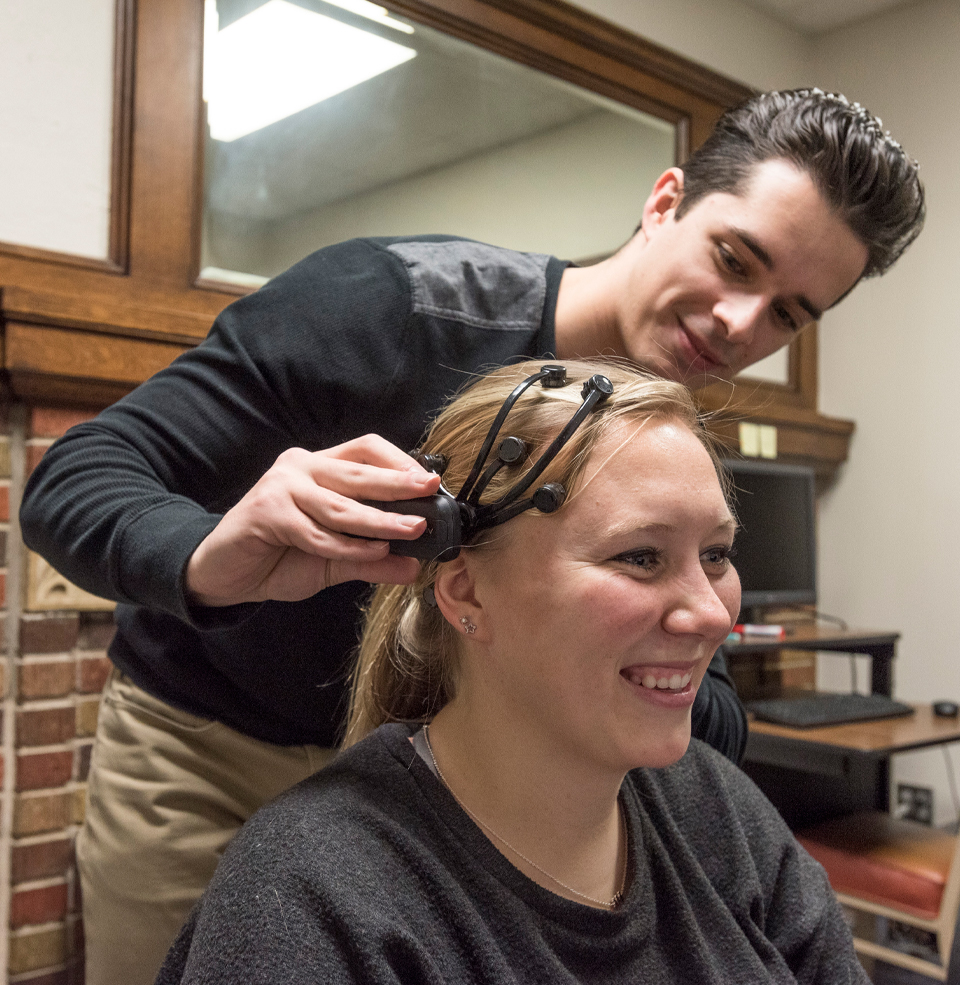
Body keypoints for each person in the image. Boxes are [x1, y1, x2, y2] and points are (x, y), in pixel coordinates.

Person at [19, 88, 922, 985]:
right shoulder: (391, 308)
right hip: (210, 749)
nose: (740, 322)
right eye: (734, 259)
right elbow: (74, 477)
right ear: (664, 201)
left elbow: (703, 704)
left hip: (459, 802)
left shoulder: (668, 432)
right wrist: (210, 557)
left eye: (788, 314)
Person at [157, 359, 868, 984]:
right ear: (466, 592)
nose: (711, 614)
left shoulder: (716, 812)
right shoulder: (312, 898)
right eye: (640, 557)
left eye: (715, 555)